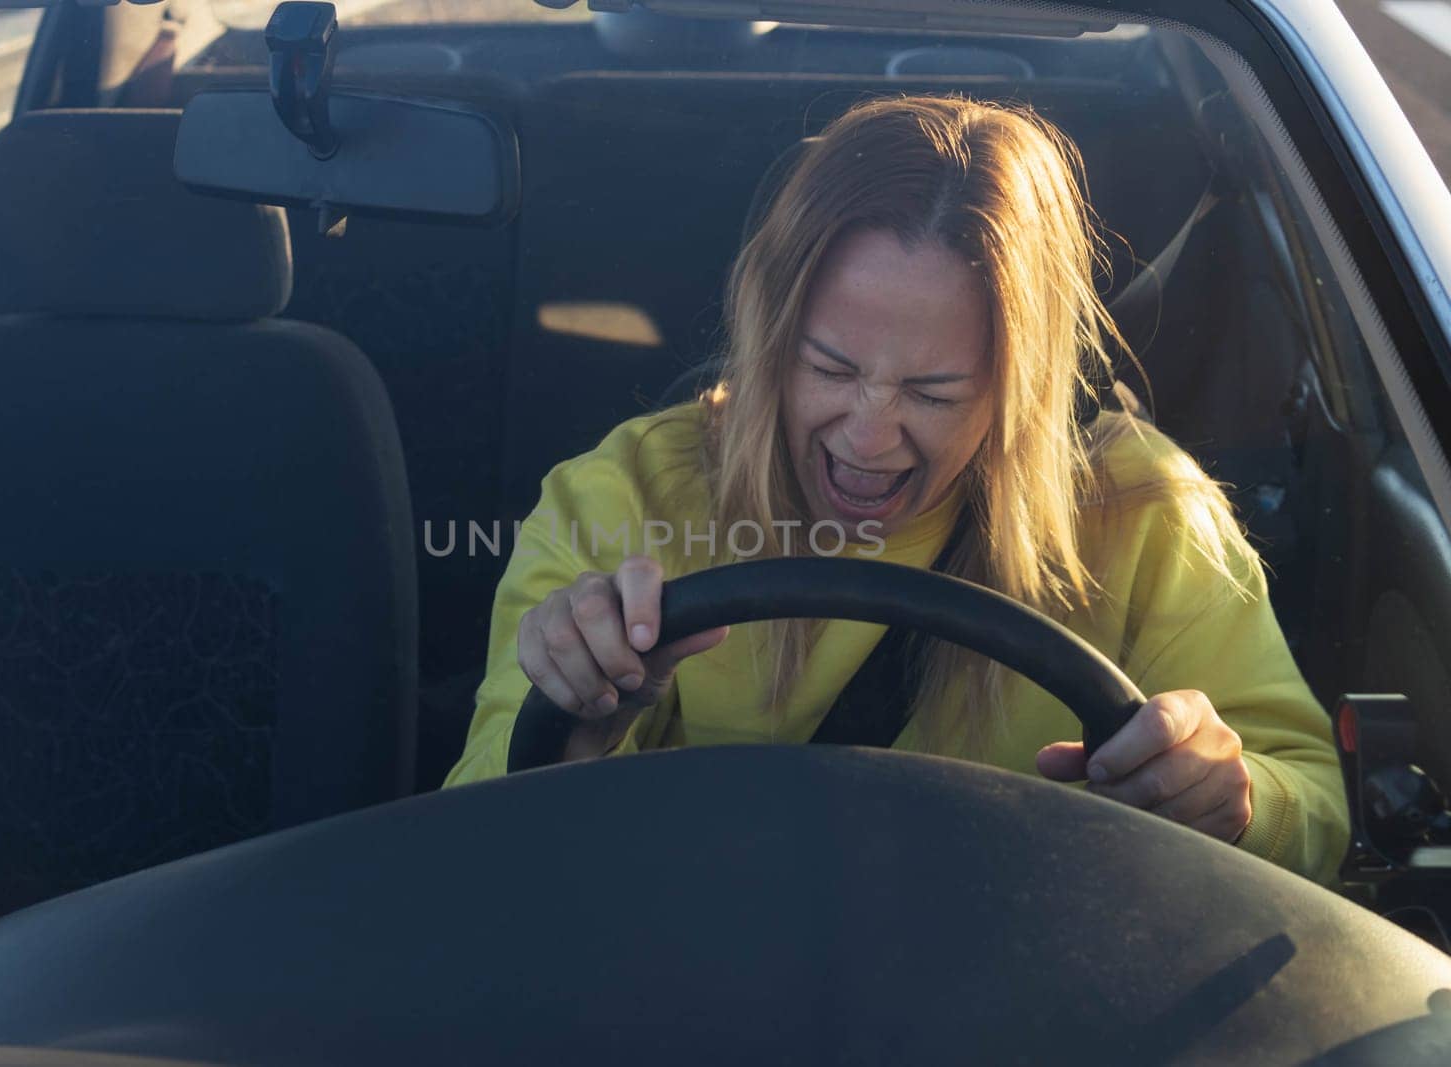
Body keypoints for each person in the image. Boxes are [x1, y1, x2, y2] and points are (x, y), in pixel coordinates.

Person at [444, 96, 1347, 883]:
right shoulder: (624, 498)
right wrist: (581, 718)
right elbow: (474, 836)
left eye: (933, 392)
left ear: (1017, 385)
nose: (870, 435)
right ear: (766, 332)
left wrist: (1230, 795)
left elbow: (1314, 810)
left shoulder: (1143, 513)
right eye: (828, 366)